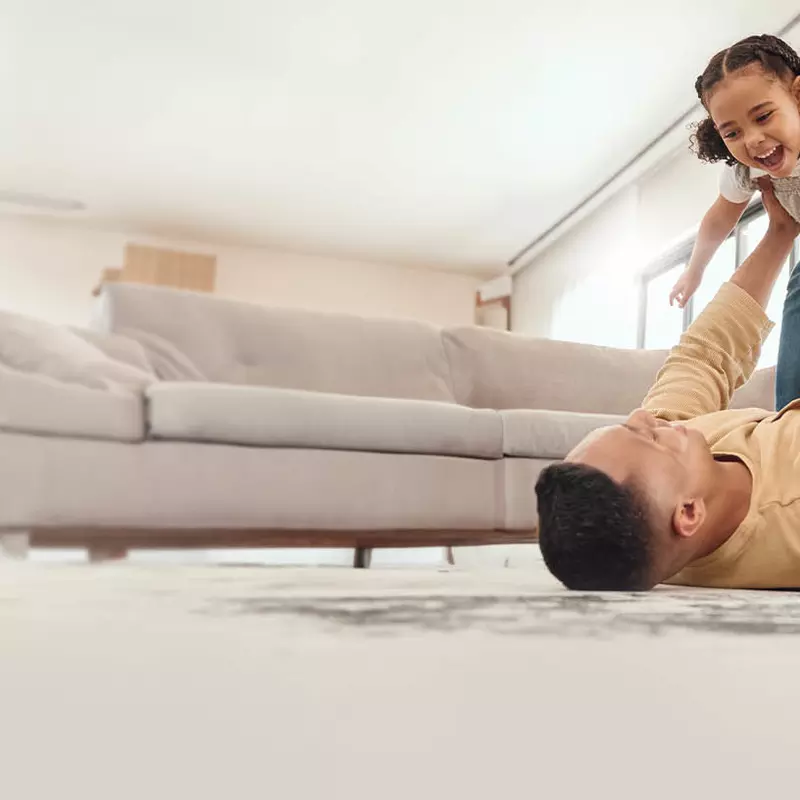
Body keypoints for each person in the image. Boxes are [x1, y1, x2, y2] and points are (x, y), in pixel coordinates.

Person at [535, 182, 800, 591]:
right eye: (651, 439)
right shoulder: (789, 519)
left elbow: (702, 357)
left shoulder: (682, 464)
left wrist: (779, 233)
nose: (645, 417)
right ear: (689, 512)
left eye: (631, 427)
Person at [668, 34, 800, 409]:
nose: (754, 141)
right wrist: (694, 271)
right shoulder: (746, 172)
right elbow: (718, 220)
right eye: (732, 132)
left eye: (763, 117)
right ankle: (789, 429)